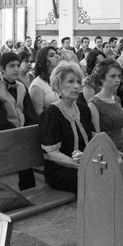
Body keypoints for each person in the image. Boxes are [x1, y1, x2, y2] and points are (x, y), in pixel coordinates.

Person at [39, 62, 94, 194]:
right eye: (70, 81)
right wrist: (82, 164)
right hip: (60, 170)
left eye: (78, 81)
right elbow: (52, 154)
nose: (76, 86)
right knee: (95, 178)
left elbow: (93, 138)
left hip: (85, 164)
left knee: (112, 172)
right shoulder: (51, 114)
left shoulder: (84, 109)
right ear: (58, 85)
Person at [0, 52, 38, 190]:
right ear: (2, 69)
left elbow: (30, 112)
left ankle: (29, 189)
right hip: (5, 134)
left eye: (17, 65)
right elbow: (0, 120)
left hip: (23, 132)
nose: (16, 68)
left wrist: (29, 128)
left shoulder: (21, 87)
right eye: (11, 66)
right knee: (22, 154)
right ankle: (26, 188)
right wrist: (17, 133)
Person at [88, 59, 123, 156]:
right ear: (102, 78)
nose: (117, 80)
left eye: (119, 76)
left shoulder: (117, 99)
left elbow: (121, 128)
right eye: (113, 76)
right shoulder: (93, 104)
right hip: (108, 152)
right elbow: (96, 137)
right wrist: (119, 154)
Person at [29, 46, 61, 116]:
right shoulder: (37, 85)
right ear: (45, 61)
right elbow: (39, 114)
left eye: (57, 54)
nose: (57, 56)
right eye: (52, 55)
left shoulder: (60, 79)